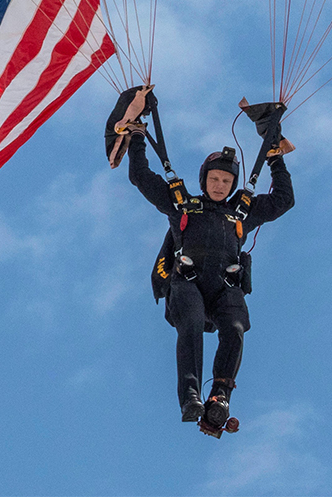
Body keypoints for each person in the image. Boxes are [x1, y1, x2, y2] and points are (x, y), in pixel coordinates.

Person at [123, 100, 294, 432]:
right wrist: (138, 137)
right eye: (214, 179)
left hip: (224, 289)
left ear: (232, 185)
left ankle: (219, 397)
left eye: (226, 182)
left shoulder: (241, 212)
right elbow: (141, 176)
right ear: (204, 181)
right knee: (189, 324)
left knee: (235, 329)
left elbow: (283, 200)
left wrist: (275, 158)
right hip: (187, 282)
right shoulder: (182, 205)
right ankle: (190, 396)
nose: (220, 186)